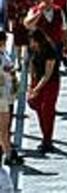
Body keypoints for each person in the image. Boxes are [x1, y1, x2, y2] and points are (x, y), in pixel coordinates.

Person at [27, 29, 61, 155]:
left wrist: (37, 89)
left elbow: (48, 74)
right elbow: (32, 66)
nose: (31, 44)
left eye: (33, 41)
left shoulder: (50, 51)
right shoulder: (33, 50)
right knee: (38, 107)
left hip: (51, 82)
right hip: (37, 80)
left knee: (47, 109)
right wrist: (32, 85)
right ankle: (45, 136)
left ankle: (48, 139)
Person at [7, 0, 37, 69]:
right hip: (17, 18)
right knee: (17, 40)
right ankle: (17, 61)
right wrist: (11, 19)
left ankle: (27, 60)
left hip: (29, 17)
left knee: (29, 38)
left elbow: (35, 3)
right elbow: (9, 5)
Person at [0, 30, 22, 166]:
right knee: (4, 128)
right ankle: (8, 154)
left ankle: (7, 151)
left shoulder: (3, 54)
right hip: (1, 97)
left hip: (6, 95)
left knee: (5, 127)